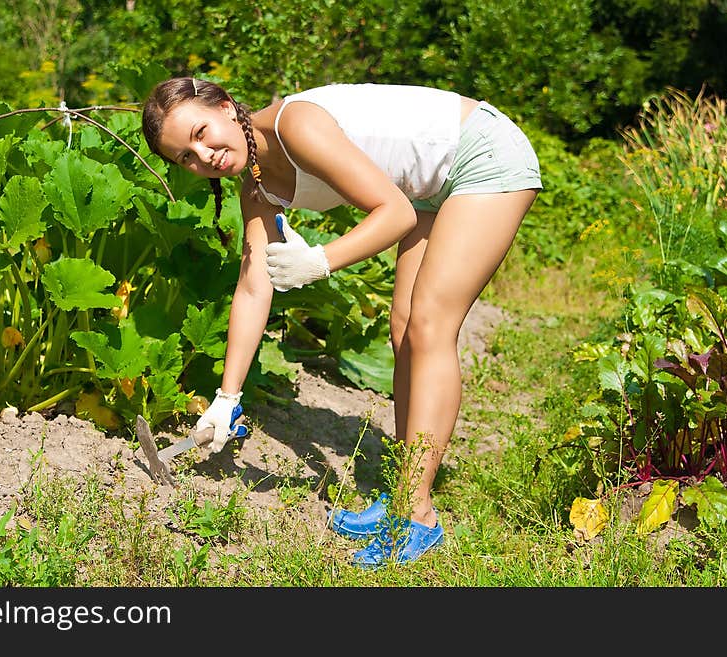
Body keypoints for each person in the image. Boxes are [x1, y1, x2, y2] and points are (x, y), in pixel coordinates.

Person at [141, 77, 541, 568]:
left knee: (430, 325)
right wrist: (227, 397)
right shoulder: (258, 188)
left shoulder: (296, 125)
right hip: (429, 187)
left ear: (225, 107)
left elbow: (392, 213)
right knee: (404, 329)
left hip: (481, 153)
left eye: (202, 133)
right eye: (186, 156)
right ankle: (404, 495)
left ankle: (417, 516)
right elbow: (253, 284)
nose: (205, 156)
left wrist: (320, 261)